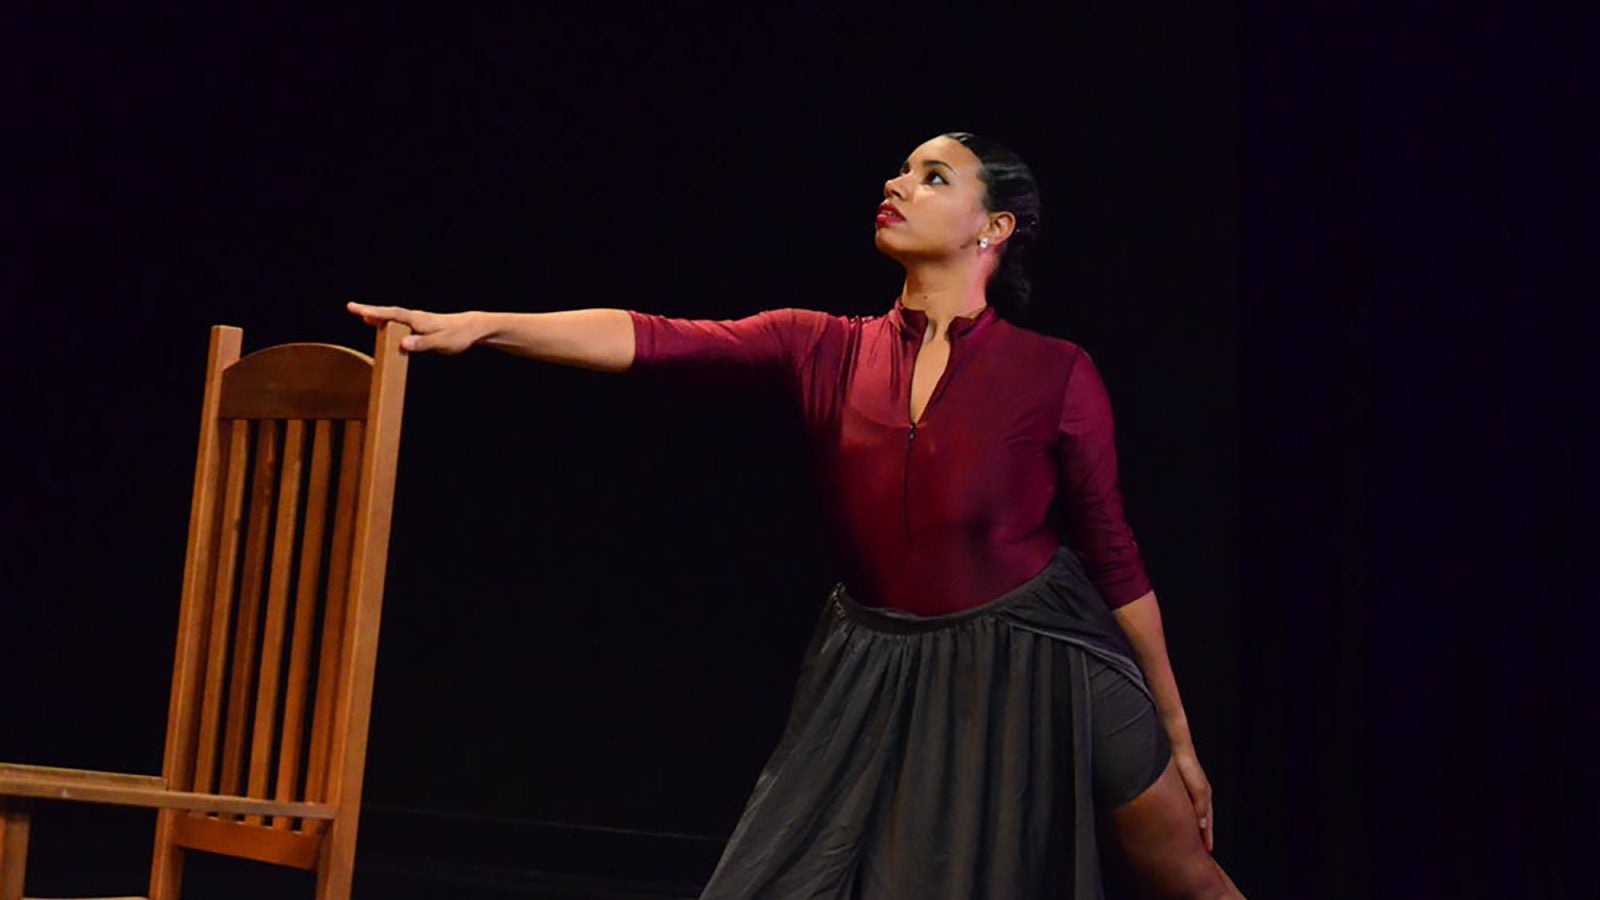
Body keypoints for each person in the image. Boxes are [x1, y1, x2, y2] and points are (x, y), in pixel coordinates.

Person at [348, 132, 1244, 899]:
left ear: (995, 227)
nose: (897, 185)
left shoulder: (1055, 372)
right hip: (879, 661)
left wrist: (1178, 734)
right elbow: (655, 337)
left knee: (1183, 871)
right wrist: (484, 323)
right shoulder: (822, 347)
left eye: (934, 177)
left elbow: (1115, 555)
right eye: (900, 170)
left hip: (1041, 654)